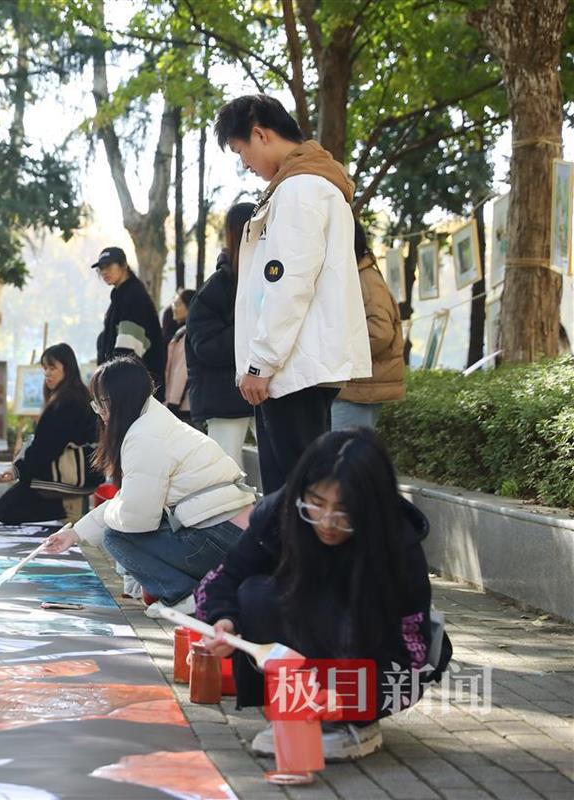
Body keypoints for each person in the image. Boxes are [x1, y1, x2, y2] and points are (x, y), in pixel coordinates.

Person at [197, 430, 451, 761]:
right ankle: (296, 707)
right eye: (316, 503)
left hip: (377, 660)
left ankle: (355, 725)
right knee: (256, 593)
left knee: (349, 611)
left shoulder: (396, 543)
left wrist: (353, 699)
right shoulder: (280, 515)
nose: (327, 521)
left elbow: (411, 648)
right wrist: (223, 620)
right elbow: (221, 580)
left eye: (344, 510)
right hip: (313, 643)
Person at [215, 95, 370, 493]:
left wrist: (260, 363)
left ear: (260, 135)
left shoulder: (301, 189)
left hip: (292, 370)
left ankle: (301, 558)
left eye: (240, 152)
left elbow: (286, 283)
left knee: (296, 494)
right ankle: (295, 557)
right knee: (298, 492)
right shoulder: (304, 185)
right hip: (294, 366)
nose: (245, 164)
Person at [42, 357, 256, 619]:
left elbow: (135, 517)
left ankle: (185, 597)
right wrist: (75, 534)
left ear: (118, 401)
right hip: (231, 534)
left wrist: (110, 516)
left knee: (115, 537)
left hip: (220, 538)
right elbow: (130, 501)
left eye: (100, 404)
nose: (99, 413)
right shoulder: (153, 420)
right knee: (121, 526)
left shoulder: (144, 437)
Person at [0, 344, 99, 525]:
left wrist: (20, 472)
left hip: (68, 474)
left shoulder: (66, 402)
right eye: (45, 369)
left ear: (67, 368)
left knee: (5, 510)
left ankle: (68, 505)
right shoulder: (77, 396)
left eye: (52, 368)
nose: (47, 374)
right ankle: (67, 504)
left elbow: (45, 448)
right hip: (85, 473)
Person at [185, 204, 257, 468]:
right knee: (226, 477)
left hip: (262, 393)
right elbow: (205, 345)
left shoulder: (267, 279)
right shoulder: (216, 288)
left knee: (280, 470)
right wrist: (251, 331)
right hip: (224, 397)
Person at [332, 223, 405, 430]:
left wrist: (341, 355)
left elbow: (380, 332)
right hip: (355, 387)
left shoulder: (365, 279)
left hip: (360, 389)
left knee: (343, 456)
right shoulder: (358, 276)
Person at [94, 247, 166, 398]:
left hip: (134, 390)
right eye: (101, 268)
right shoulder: (121, 295)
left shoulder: (132, 296)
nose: (104, 271)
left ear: (124, 265)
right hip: (131, 385)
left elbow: (128, 351)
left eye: (108, 266)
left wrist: (112, 383)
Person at [164, 289, 196, 423]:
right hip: (187, 403)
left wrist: (173, 402)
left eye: (178, 304)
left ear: (189, 307)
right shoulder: (187, 332)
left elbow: (181, 370)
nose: (174, 308)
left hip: (183, 406)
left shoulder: (186, 334)